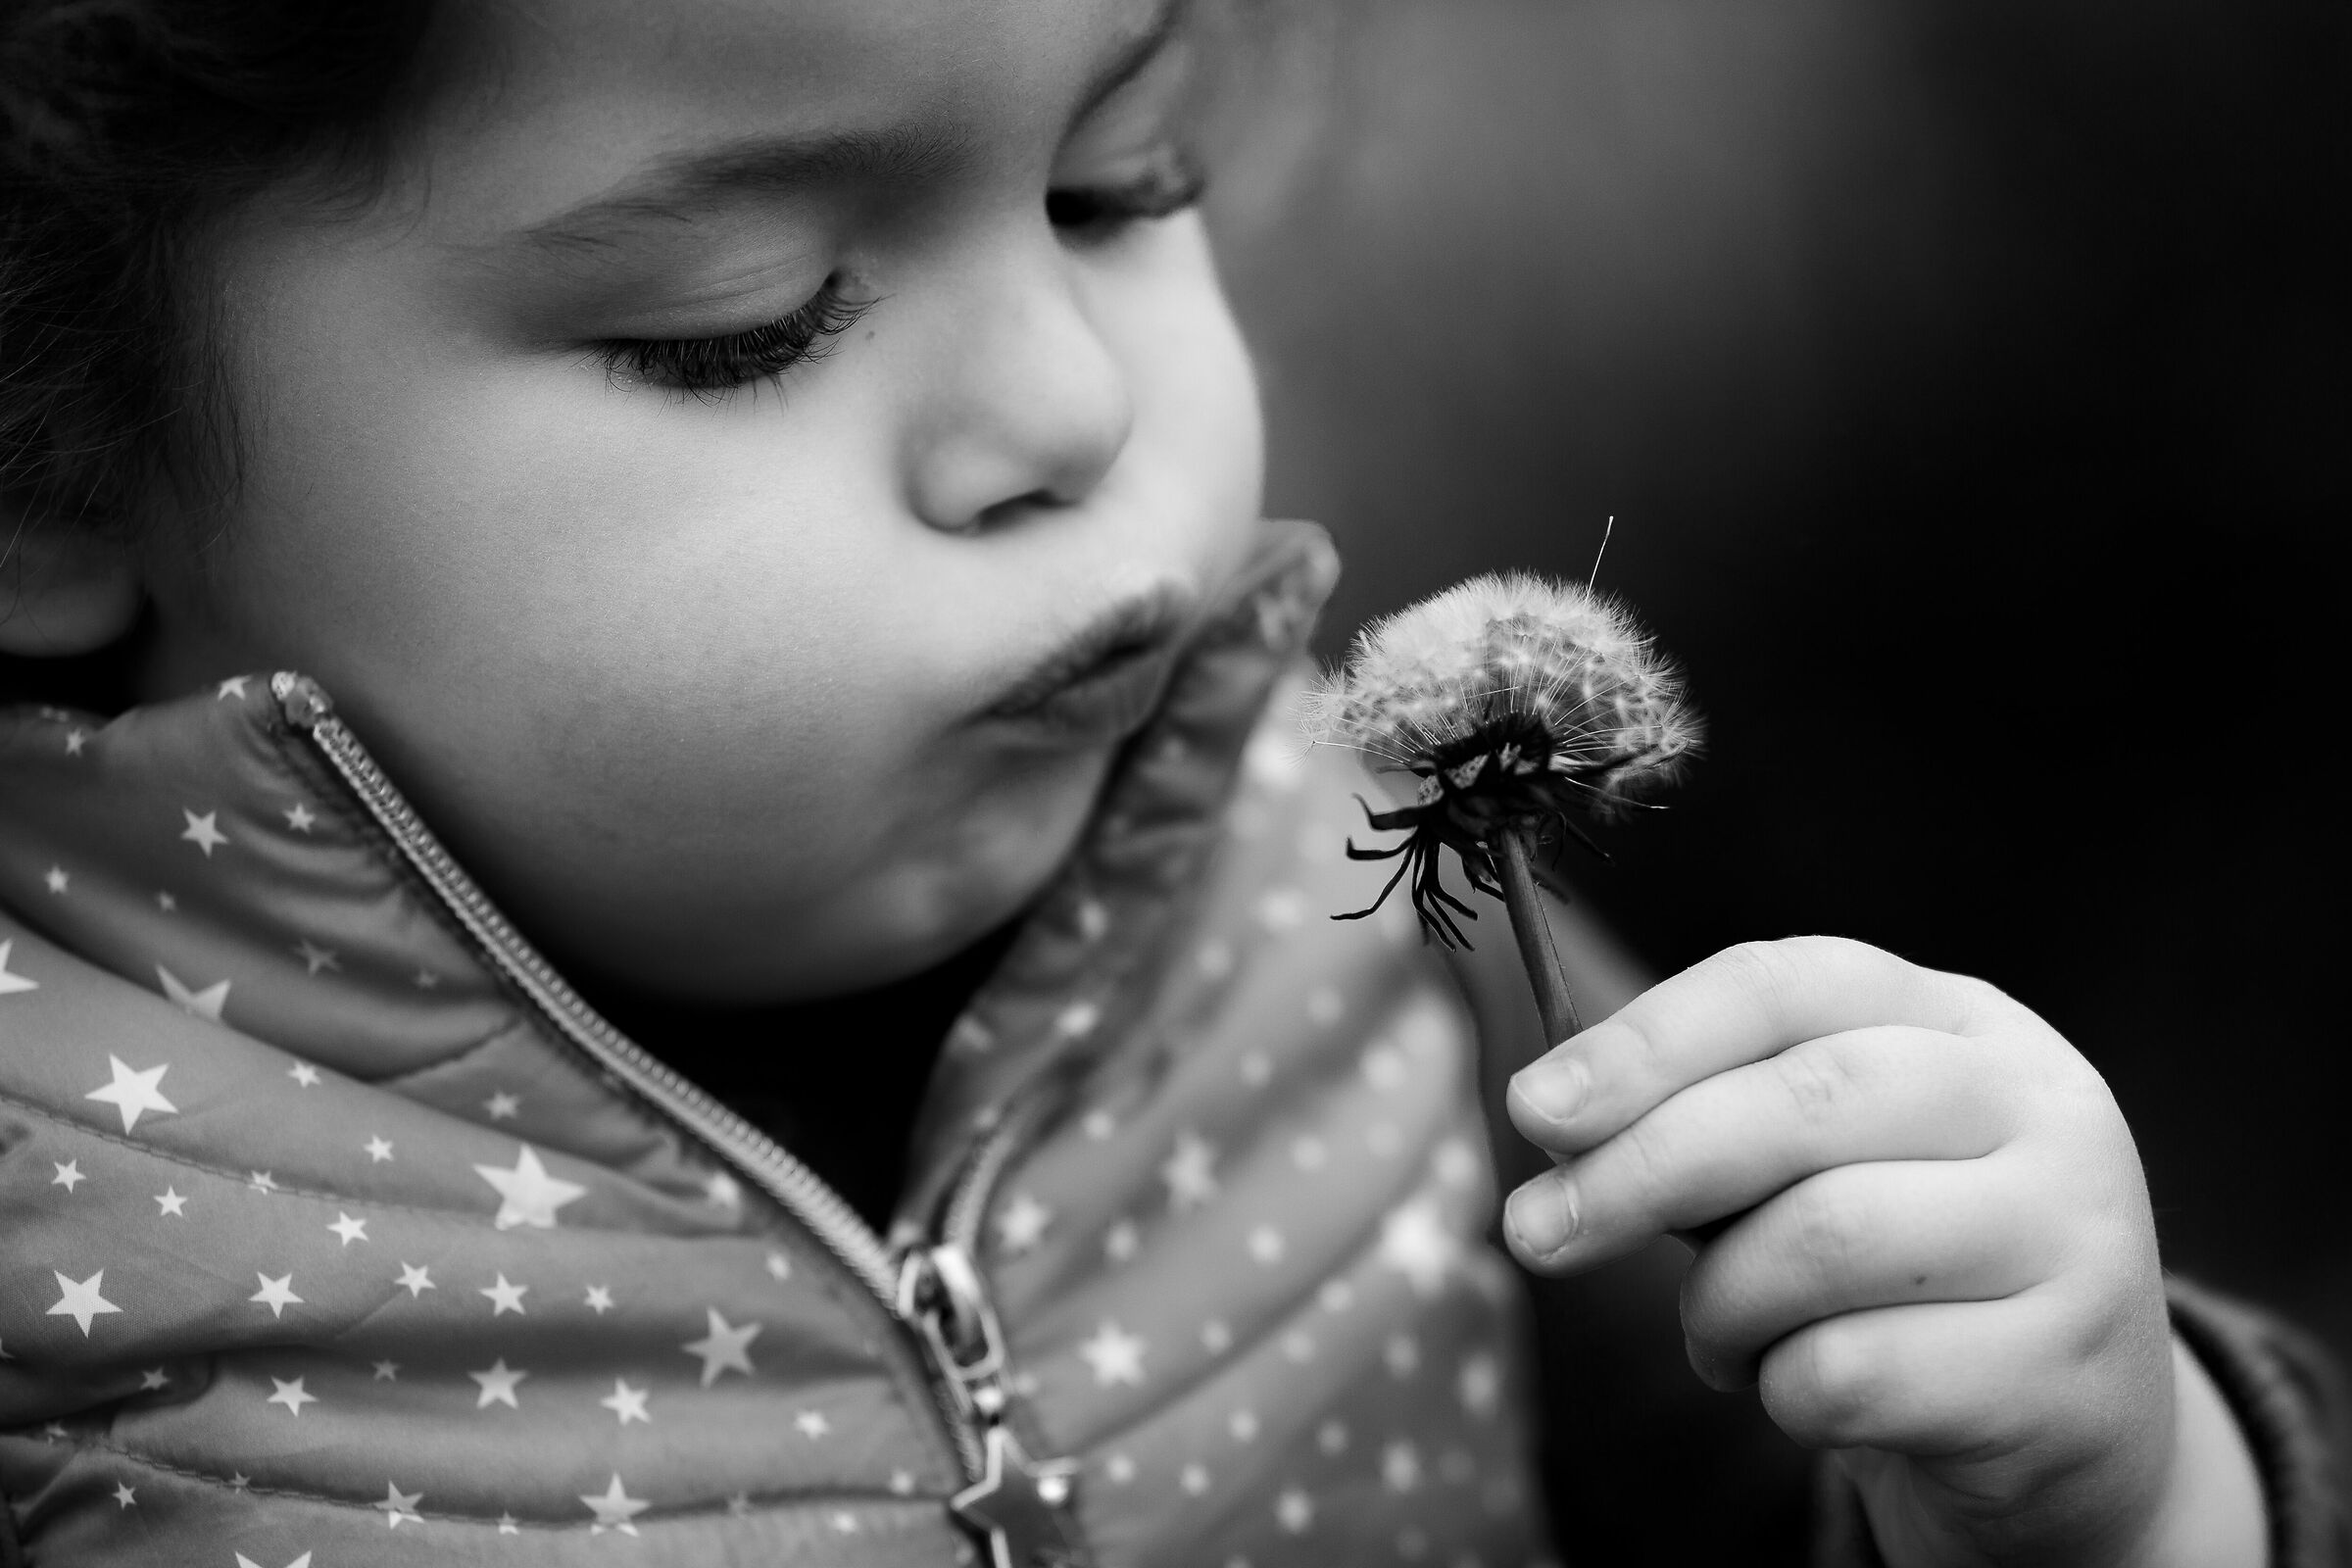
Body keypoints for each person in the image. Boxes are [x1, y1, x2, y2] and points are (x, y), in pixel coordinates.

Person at [0, 1, 2336, 1563]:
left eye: (1119, 183)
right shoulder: (58, 1230)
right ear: (52, 453)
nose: (1071, 408)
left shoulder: (1363, 918)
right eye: (741, 317)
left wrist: (2122, 1490)